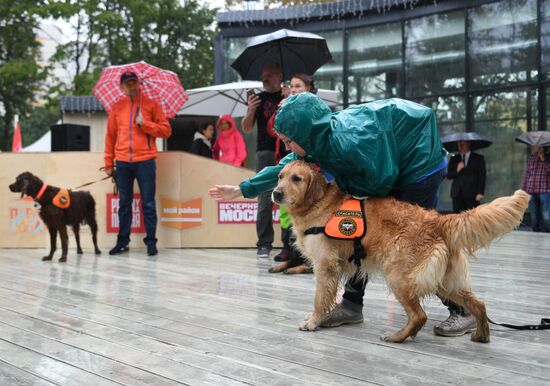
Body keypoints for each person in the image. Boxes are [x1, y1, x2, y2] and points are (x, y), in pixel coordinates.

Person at [209, 93, 477, 338]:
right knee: (355, 232)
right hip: (388, 162)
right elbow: (283, 166)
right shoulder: (315, 140)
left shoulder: (349, 144)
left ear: (305, 133)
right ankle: (351, 305)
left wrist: (336, 184)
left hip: (420, 164)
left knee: (415, 241)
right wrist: (242, 189)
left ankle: (462, 310)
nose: (287, 145)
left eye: (289, 140)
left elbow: (380, 182)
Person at [103, 71, 171, 256]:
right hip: (123, 162)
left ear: (139, 83)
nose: (131, 86)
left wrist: (145, 124)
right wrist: (109, 163)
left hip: (146, 161)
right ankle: (122, 241)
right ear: (122, 87)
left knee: (148, 203)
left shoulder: (151, 105)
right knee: (124, 204)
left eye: (134, 82)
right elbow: (110, 137)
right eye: (127, 84)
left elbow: (166, 131)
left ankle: (151, 242)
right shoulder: (116, 107)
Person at [266, 73, 315, 266]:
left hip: (306, 166)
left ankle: (307, 258)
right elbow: (273, 130)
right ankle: (289, 249)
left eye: (298, 86)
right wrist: (281, 111)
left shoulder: (313, 108)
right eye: (292, 86)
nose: (294, 89)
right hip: (287, 162)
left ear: (309, 88)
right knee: (286, 211)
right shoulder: (285, 105)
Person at [242, 63, 284, 258]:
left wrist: (288, 98)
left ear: (279, 75)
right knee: (264, 198)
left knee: (290, 196)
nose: (265, 78)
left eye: (270, 74)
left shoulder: (288, 94)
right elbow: (247, 128)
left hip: (286, 151)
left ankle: (289, 243)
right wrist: (251, 110)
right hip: (264, 152)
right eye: (263, 75)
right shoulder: (258, 99)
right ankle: (264, 243)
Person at [447, 140, 486, 213]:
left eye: (463, 144)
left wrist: (480, 192)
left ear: (468, 144)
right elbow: (449, 176)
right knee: (457, 217)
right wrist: (457, 170)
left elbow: (482, 176)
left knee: (472, 217)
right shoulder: (454, 158)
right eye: (459, 144)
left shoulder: (478, 158)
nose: (461, 146)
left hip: (472, 194)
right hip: (457, 194)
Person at [522, 145, 550, 232]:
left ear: (541, 147)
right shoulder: (531, 158)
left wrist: (543, 159)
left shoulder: (548, 158)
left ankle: (547, 233)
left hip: (545, 191)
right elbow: (527, 174)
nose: (532, 147)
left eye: (535, 146)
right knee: (534, 216)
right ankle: (536, 233)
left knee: (546, 216)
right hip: (531, 190)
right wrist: (524, 190)